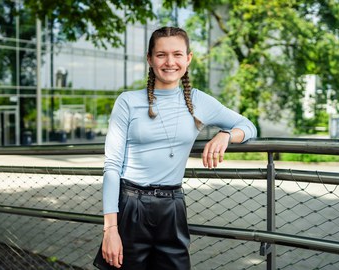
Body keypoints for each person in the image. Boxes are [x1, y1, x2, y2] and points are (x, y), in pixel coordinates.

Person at [94, 26, 257, 269]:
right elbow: (112, 167)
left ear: (188, 59)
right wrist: (110, 229)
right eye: (161, 55)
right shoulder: (128, 101)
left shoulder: (200, 101)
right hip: (130, 206)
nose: (170, 62)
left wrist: (226, 135)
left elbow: (248, 126)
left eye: (177, 54)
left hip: (172, 207)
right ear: (150, 59)